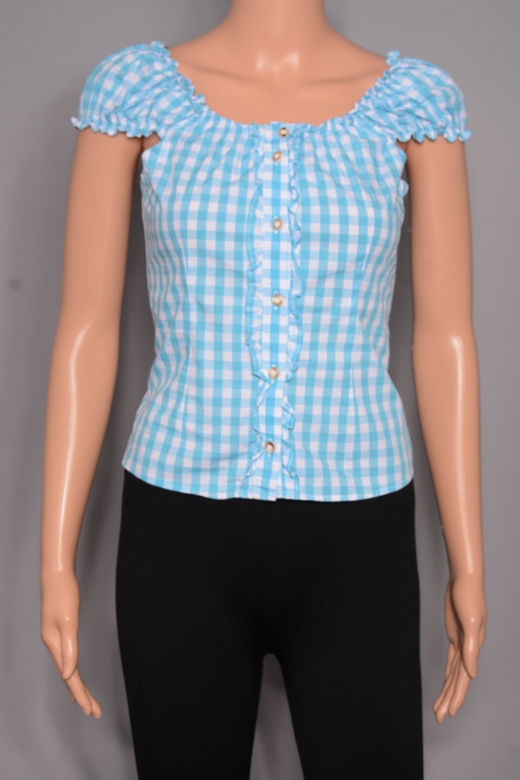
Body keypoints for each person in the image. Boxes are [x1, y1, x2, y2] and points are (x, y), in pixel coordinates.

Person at [40, 1, 487, 777]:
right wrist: (56, 559)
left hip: (359, 540)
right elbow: (87, 326)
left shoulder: (414, 104)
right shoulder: (137, 92)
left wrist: (468, 561)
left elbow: (447, 336)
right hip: (178, 535)